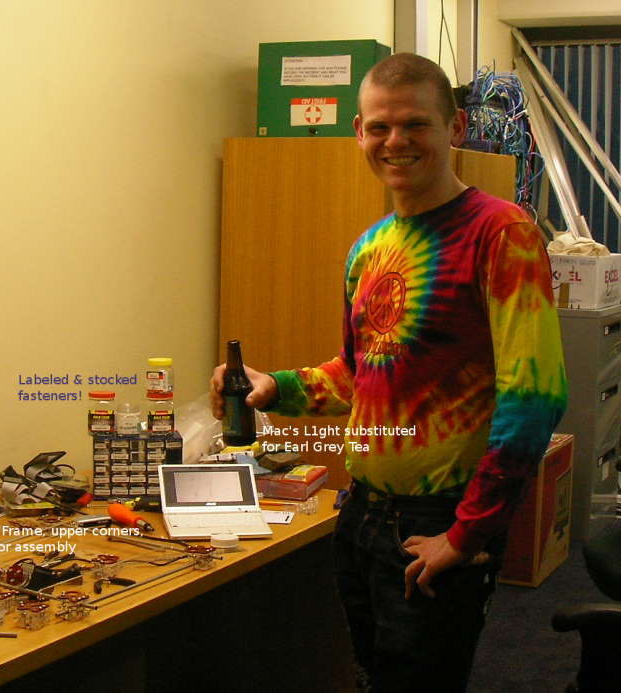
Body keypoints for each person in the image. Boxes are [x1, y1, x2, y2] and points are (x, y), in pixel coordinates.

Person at [210, 53, 567, 693]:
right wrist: (276, 387)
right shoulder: (370, 248)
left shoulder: (500, 232)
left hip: (439, 517)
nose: (395, 142)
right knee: (372, 677)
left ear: (455, 128)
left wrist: (465, 535)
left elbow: (534, 399)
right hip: (361, 511)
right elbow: (358, 374)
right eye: (379, 127)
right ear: (358, 133)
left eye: (414, 125)